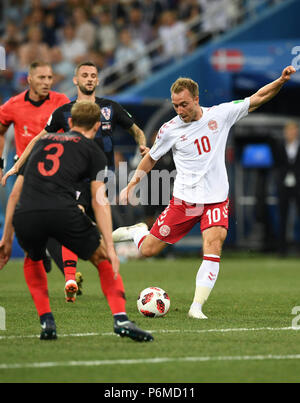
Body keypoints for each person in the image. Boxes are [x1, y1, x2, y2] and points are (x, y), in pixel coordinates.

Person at [112, 65, 296, 319]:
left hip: (216, 200)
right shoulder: (169, 130)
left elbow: (258, 98)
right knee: (148, 251)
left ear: (196, 99)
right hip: (184, 202)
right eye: (176, 105)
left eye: (184, 104)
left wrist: (281, 80)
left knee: (213, 244)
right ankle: (137, 232)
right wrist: (132, 184)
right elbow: (151, 158)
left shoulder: (220, 115)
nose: (180, 110)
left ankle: (196, 307)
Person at [0, 101, 153, 343]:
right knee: (101, 259)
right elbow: (98, 199)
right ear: (95, 126)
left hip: (26, 213)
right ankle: (121, 319)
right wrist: (110, 248)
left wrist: (6, 237)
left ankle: (47, 321)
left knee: (34, 258)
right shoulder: (93, 151)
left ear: (70, 123)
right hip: (62, 210)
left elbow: (16, 192)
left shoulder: (41, 142)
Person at [0, 61, 70, 272]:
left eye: (49, 78)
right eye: (41, 78)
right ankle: (40, 253)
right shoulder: (13, 104)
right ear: (29, 79)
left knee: (49, 218)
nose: (47, 82)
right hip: (25, 165)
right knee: (23, 218)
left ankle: (67, 271)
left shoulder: (62, 101)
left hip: (57, 167)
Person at [272, 121, 300, 255]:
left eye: (293, 130)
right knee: (282, 216)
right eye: (288, 131)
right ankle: (281, 249)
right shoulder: (279, 146)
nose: (291, 133)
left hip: (298, 186)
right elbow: (276, 165)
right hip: (283, 186)